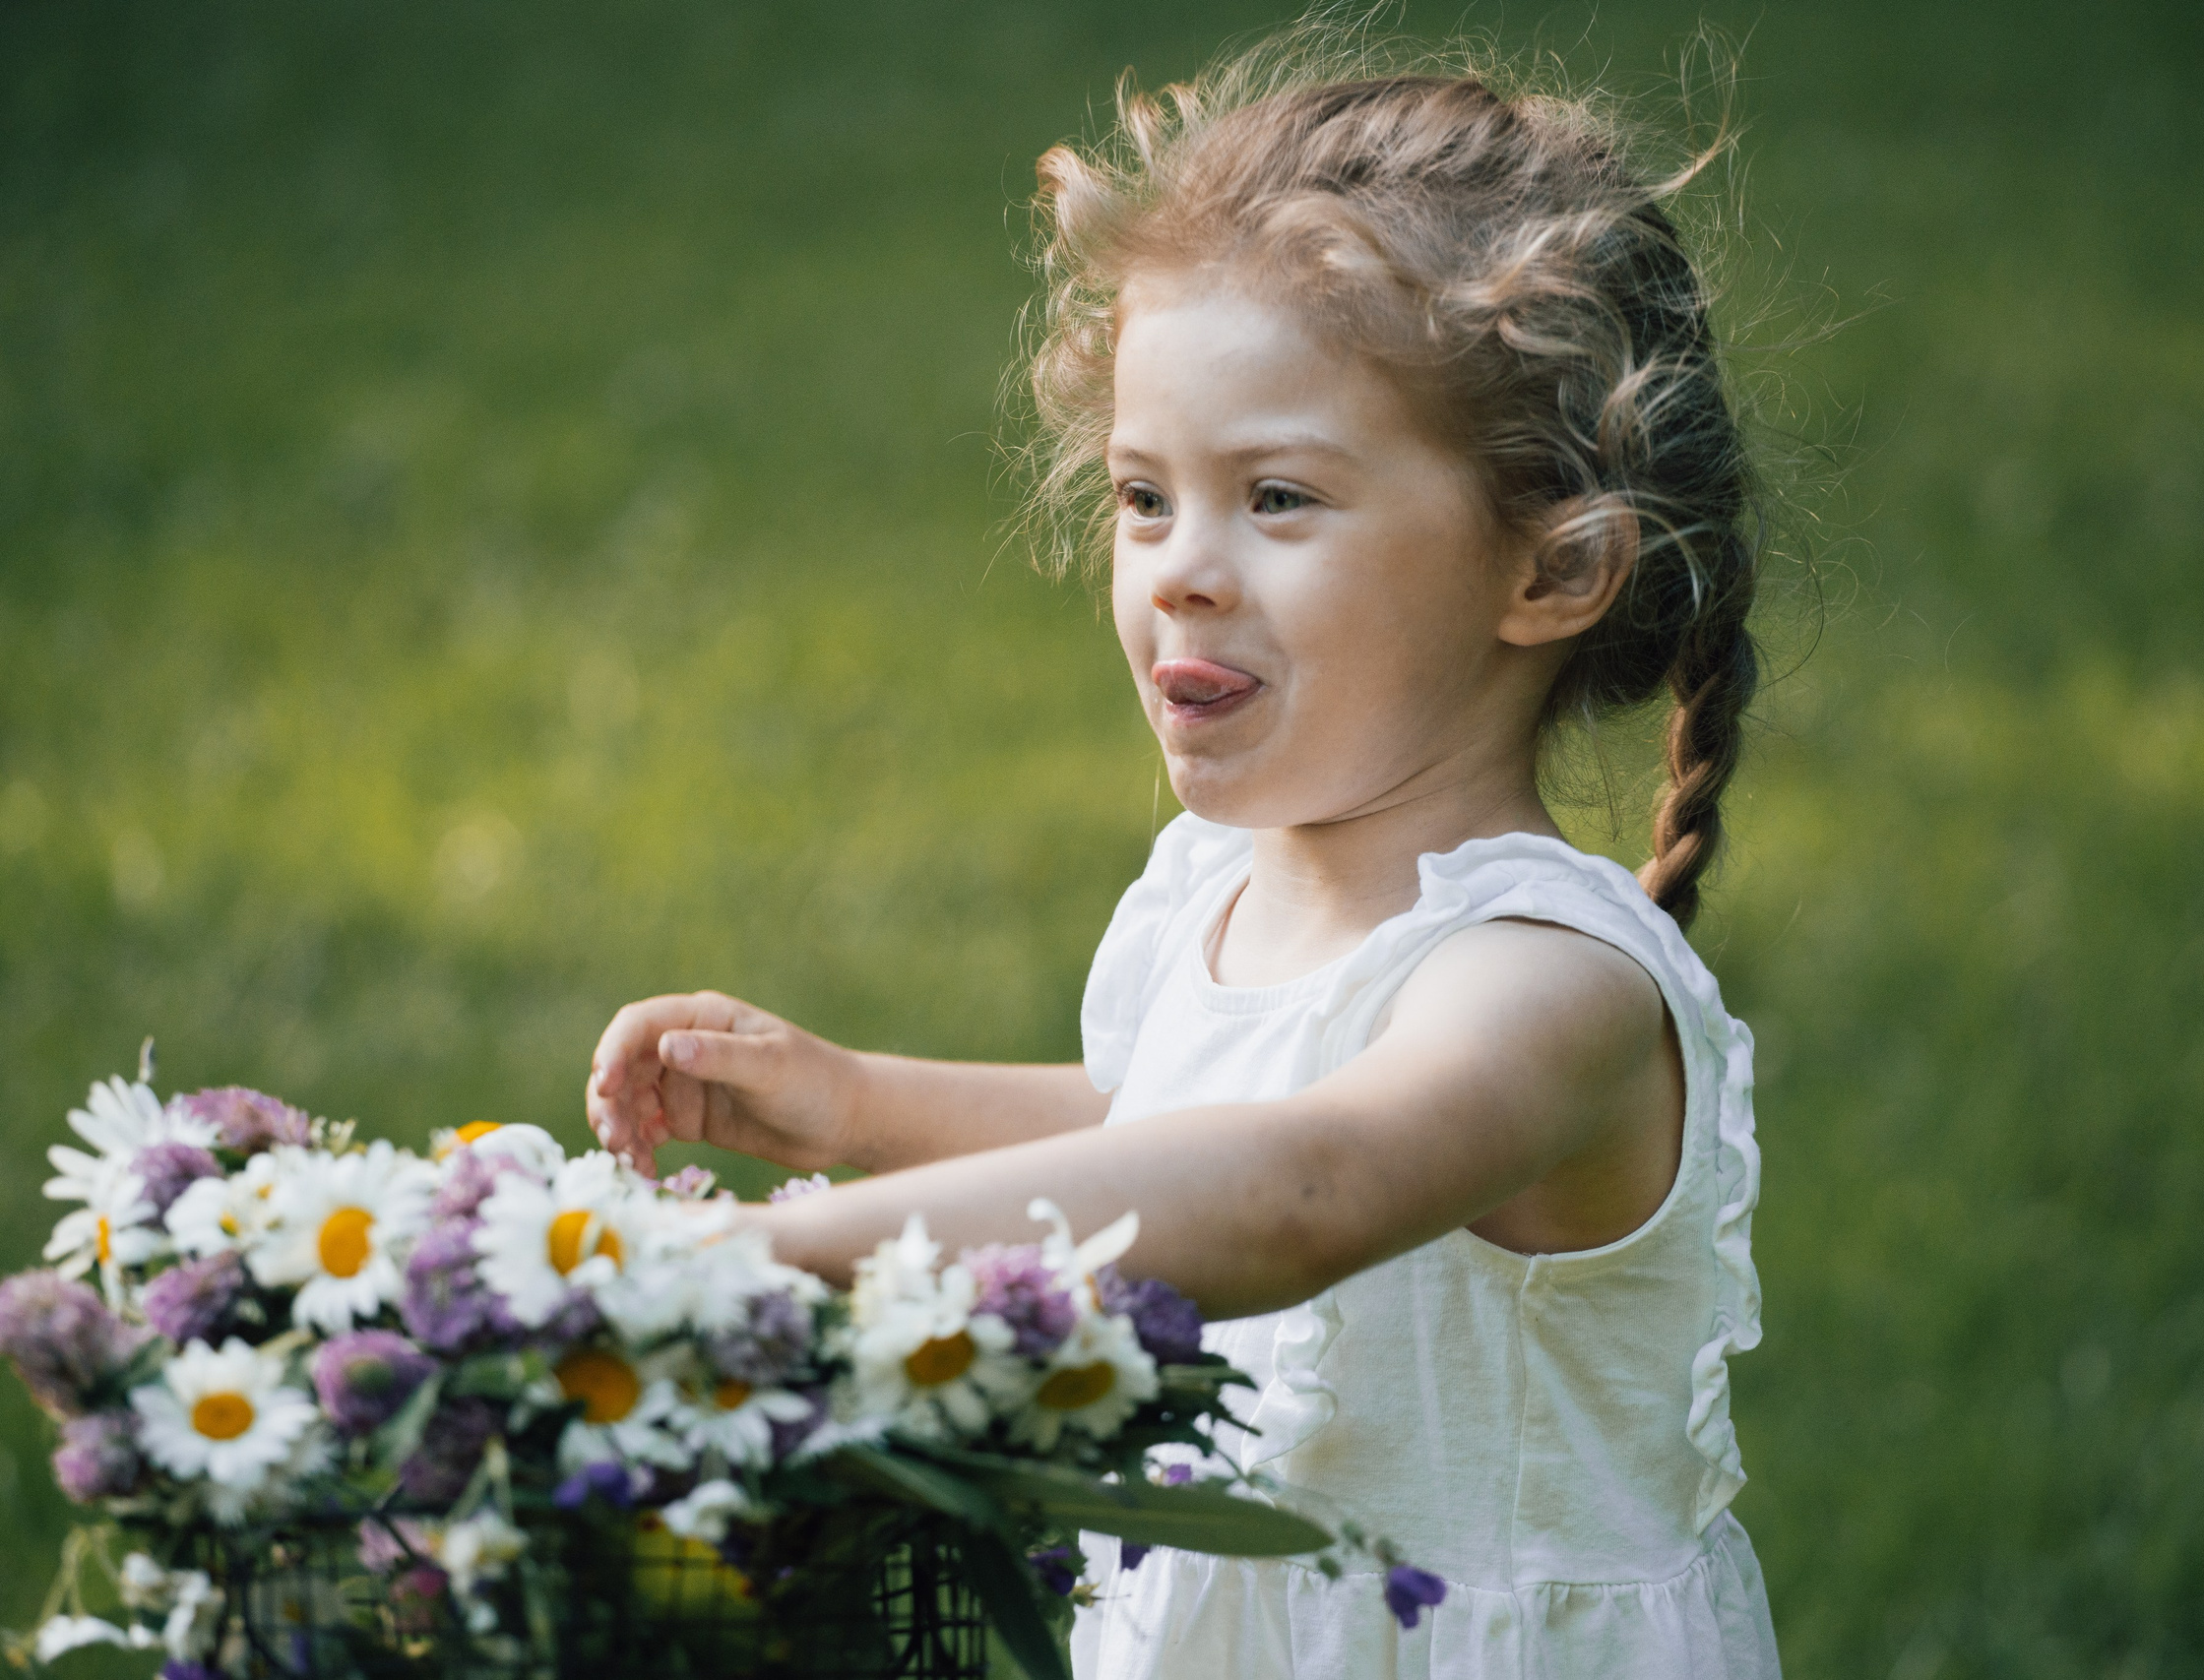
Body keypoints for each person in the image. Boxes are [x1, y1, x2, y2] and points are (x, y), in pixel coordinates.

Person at [588, 32, 1781, 1680]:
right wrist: (863, 1104)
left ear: (1553, 568)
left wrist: (753, 1260)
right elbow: (1171, 1128)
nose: (1181, 574)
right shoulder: (1215, 893)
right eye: (1145, 499)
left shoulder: (1552, 984)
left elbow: (1299, 1189)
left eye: (1277, 497)